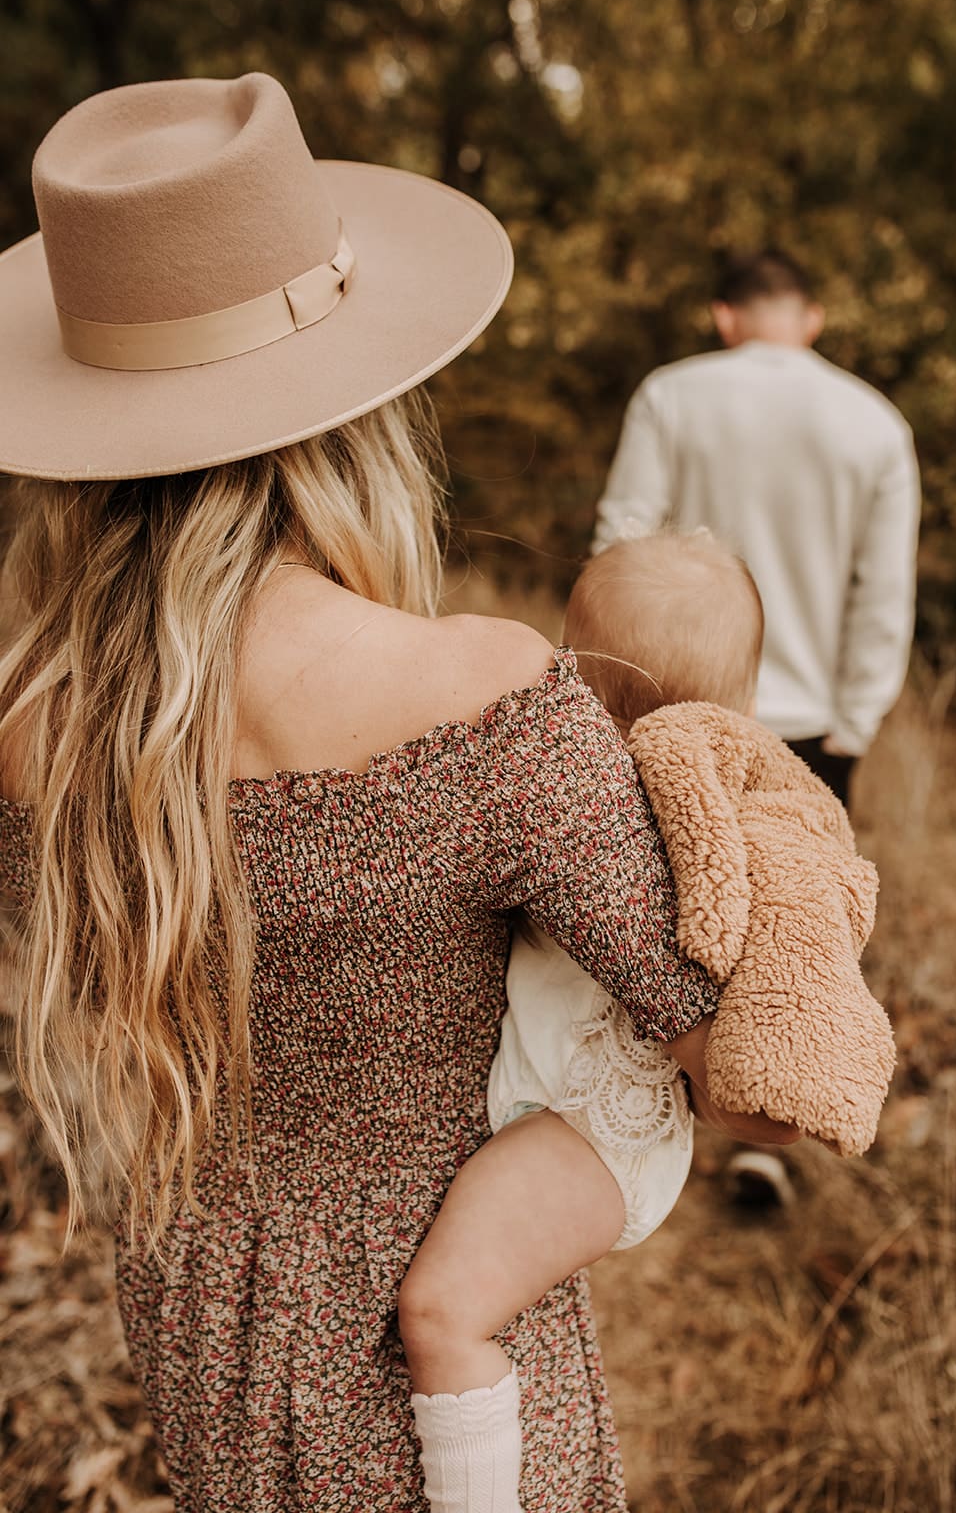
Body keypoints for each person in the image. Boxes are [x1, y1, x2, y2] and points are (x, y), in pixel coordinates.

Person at [0, 73, 790, 1513]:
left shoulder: (33, 735)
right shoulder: (490, 698)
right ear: (350, 409)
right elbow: (741, 1073)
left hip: (202, 1315)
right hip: (436, 1358)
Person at [399, 531, 894, 1511]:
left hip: (594, 1125)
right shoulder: (587, 784)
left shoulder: (688, 811)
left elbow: (785, 933)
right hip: (553, 1096)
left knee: (441, 1311)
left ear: (577, 672)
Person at [593, 250, 922, 809]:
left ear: (723, 316)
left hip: (675, 715)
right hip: (813, 726)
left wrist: (609, 697)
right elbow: (885, 591)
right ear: (812, 319)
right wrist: (854, 725)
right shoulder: (877, 421)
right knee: (800, 891)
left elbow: (619, 551)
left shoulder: (669, 395)